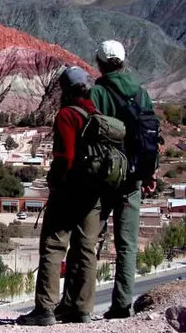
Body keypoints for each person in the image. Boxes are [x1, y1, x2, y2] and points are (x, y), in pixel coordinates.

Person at [17, 66, 101, 326]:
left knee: (54, 245)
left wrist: (55, 182)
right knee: (86, 249)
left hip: (69, 191)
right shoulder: (98, 114)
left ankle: (45, 309)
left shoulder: (67, 115)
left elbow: (65, 157)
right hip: (94, 192)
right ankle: (82, 309)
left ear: (65, 89)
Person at [89, 40, 157, 319]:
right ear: (124, 61)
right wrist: (150, 172)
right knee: (126, 245)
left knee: (89, 241)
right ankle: (121, 306)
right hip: (133, 181)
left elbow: (88, 137)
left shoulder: (97, 94)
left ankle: (80, 305)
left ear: (101, 64)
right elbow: (151, 137)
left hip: (102, 180)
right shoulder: (142, 94)